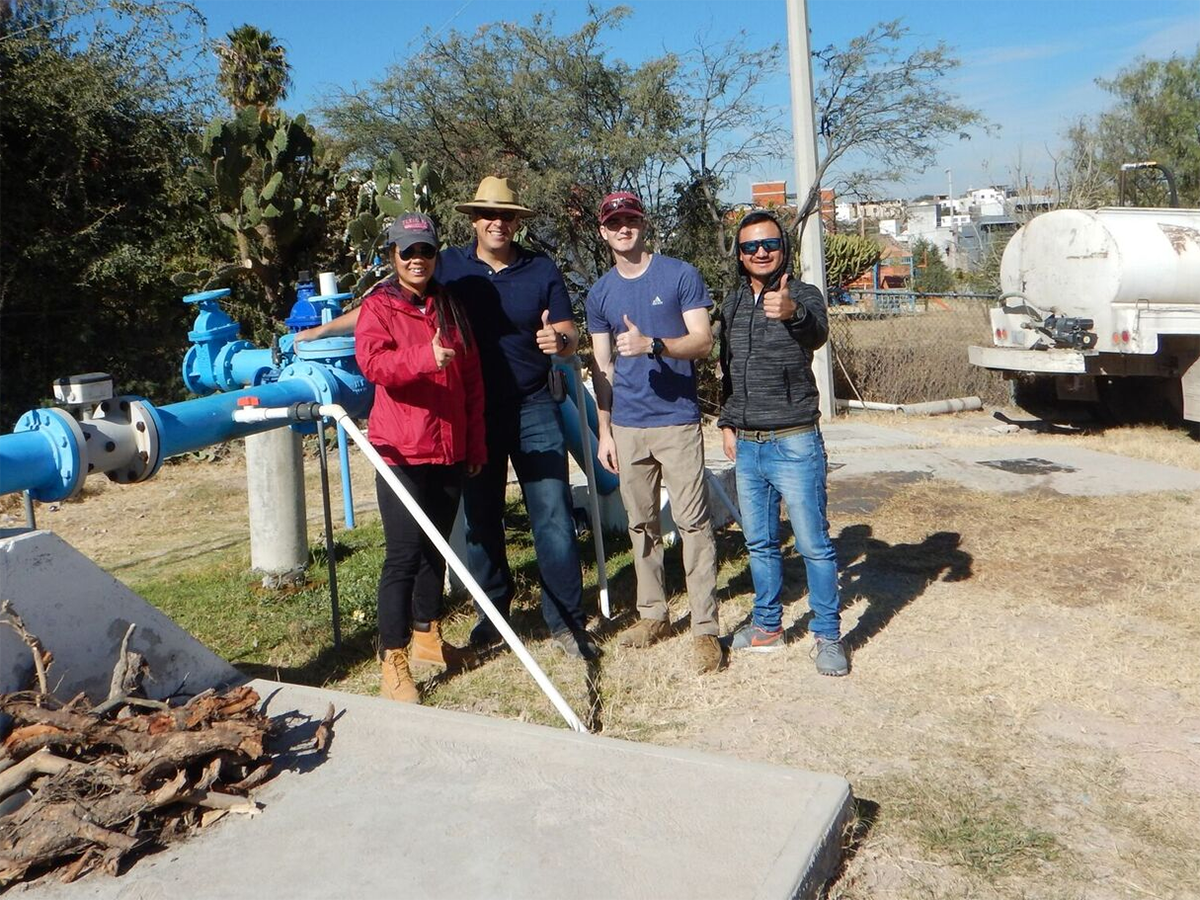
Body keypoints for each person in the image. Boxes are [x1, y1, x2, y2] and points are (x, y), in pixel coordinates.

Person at [436, 176, 597, 660]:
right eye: (488, 214)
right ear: (473, 220)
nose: (497, 222)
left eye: (505, 215)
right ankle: (494, 620)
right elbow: (398, 305)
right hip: (473, 410)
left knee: (553, 517)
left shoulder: (539, 267)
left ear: (516, 221)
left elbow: (568, 330)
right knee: (482, 521)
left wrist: (561, 343)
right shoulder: (448, 267)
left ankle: (566, 622)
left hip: (534, 406)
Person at [586, 191, 724, 675]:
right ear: (603, 232)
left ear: (643, 225)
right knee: (641, 524)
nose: (623, 228)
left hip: (677, 421)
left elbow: (703, 341)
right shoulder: (600, 292)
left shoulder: (679, 275)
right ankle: (653, 614)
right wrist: (604, 430)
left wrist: (656, 345)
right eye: (614, 222)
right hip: (626, 425)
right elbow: (602, 367)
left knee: (692, 523)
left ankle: (706, 627)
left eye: (631, 219)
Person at [355, 212, 485, 703]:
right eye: (407, 251)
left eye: (425, 251)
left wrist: (474, 444)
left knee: (437, 550)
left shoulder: (449, 305)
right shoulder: (378, 307)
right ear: (393, 255)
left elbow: (471, 380)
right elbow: (374, 365)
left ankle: (428, 636)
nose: (417, 259)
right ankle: (393, 657)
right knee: (404, 555)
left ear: (436, 255)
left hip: (448, 446)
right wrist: (424, 359)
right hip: (400, 451)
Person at [716, 210, 848, 676]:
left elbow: (816, 331)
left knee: (814, 544)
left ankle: (828, 635)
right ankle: (768, 627)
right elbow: (728, 371)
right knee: (760, 543)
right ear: (739, 254)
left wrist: (792, 313)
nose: (760, 253)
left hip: (795, 441)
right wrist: (727, 423)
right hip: (748, 446)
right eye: (750, 247)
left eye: (768, 243)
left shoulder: (803, 295)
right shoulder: (731, 304)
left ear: (783, 248)